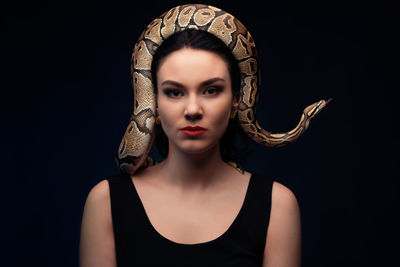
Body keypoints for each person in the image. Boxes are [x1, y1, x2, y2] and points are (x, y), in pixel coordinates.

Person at [80, 4, 328, 267]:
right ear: (153, 103)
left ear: (236, 99)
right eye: (174, 92)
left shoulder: (277, 205)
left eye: (211, 90)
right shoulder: (106, 201)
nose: (193, 110)